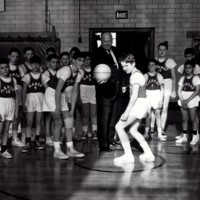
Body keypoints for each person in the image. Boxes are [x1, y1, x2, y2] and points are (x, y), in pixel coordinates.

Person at [43, 51, 85, 159]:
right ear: (73, 60)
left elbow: (75, 91)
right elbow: (57, 89)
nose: (81, 62)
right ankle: (57, 150)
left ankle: (70, 149)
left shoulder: (80, 73)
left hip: (61, 95)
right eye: (79, 60)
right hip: (52, 93)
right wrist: (57, 107)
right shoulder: (67, 70)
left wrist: (72, 109)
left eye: (83, 61)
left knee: (69, 121)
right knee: (58, 122)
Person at [114, 52, 155, 163]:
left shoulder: (135, 76)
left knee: (119, 127)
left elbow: (134, 96)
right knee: (133, 130)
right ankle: (149, 154)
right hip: (142, 104)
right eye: (122, 66)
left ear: (133, 63)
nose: (124, 68)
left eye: (126, 65)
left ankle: (128, 155)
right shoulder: (137, 74)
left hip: (138, 104)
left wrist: (126, 112)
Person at [92, 32, 122, 151]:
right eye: (105, 41)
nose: (107, 43)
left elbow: (120, 69)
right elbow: (94, 72)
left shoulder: (115, 50)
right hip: (105, 91)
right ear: (101, 41)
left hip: (116, 89)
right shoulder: (97, 54)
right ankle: (103, 144)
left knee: (113, 117)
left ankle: (110, 139)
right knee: (104, 119)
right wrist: (97, 79)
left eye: (109, 40)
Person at [21, 55, 49, 153]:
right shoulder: (27, 76)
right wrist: (24, 102)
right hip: (30, 100)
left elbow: (47, 90)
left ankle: (37, 140)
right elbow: (24, 91)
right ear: (30, 64)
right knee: (29, 122)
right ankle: (28, 141)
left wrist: (48, 102)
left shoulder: (43, 76)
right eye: (33, 64)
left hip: (40, 100)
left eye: (37, 64)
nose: (35, 66)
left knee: (38, 121)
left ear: (39, 64)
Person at [153, 41, 177, 137]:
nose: (162, 51)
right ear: (158, 50)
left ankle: (162, 129)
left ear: (166, 51)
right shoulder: (154, 60)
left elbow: (174, 76)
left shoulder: (170, 61)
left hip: (167, 84)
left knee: (165, 108)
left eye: (164, 50)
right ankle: (154, 128)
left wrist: (174, 90)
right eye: (160, 50)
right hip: (157, 86)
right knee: (156, 107)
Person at [176, 60, 200, 145]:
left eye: (189, 67)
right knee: (184, 119)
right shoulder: (182, 78)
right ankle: (185, 137)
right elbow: (179, 90)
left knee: (193, 119)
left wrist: (187, 100)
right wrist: (182, 100)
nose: (187, 69)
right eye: (186, 68)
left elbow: (197, 91)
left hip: (192, 98)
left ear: (193, 68)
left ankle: (195, 137)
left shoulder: (196, 78)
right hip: (183, 98)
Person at [0, 57, 19, 158]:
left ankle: (4, 149)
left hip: (11, 104)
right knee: (0, 128)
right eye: (2, 68)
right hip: (1, 103)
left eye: (6, 67)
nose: (5, 69)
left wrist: (16, 110)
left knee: (7, 129)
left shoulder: (13, 79)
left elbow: (16, 96)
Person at [144, 59, 166, 142]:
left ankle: (160, 134)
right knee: (147, 115)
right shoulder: (145, 75)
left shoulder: (159, 75)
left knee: (157, 115)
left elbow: (162, 89)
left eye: (153, 65)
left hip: (157, 95)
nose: (151, 66)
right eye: (149, 65)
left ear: (156, 66)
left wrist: (161, 100)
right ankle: (146, 133)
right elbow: (142, 88)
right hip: (148, 95)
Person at [8, 48, 25, 147]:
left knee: (16, 116)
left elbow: (23, 82)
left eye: (17, 56)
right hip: (5, 95)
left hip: (17, 95)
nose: (15, 58)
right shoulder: (4, 67)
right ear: (9, 56)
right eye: (13, 56)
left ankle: (14, 138)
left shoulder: (20, 69)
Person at [80, 52, 97, 140]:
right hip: (83, 91)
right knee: (85, 113)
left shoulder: (95, 69)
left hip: (93, 91)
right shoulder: (80, 70)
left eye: (88, 59)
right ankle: (85, 131)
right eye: (84, 59)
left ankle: (94, 131)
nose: (86, 61)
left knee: (93, 113)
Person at [43, 54, 59, 147]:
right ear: (48, 63)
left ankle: (53, 136)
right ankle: (48, 138)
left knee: (54, 118)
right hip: (49, 97)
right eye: (53, 62)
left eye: (56, 62)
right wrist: (50, 99)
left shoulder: (58, 72)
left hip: (55, 97)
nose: (55, 64)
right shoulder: (46, 73)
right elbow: (46, 88)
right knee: (48, 117)